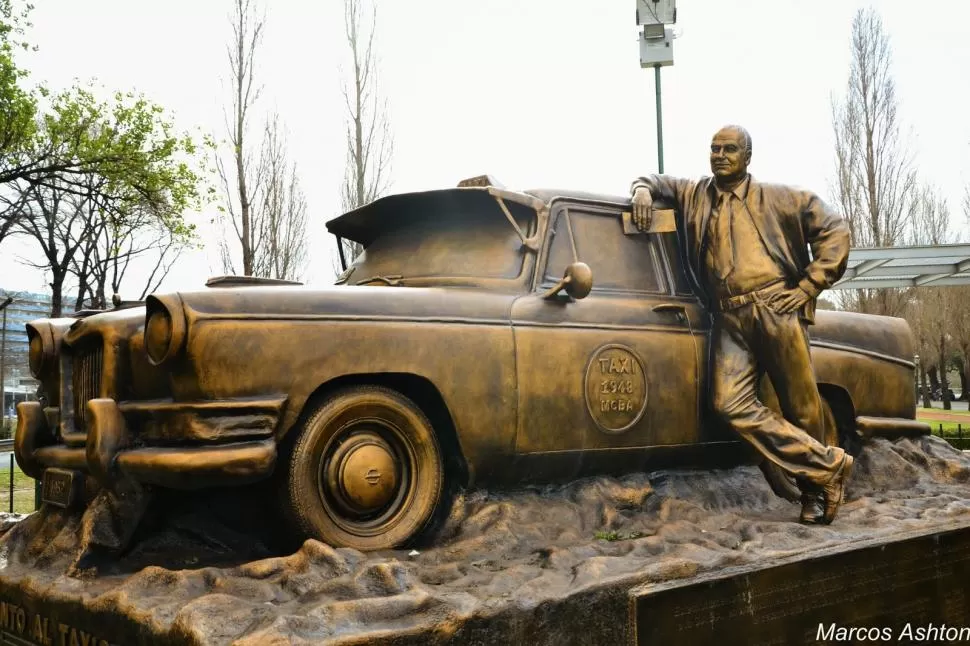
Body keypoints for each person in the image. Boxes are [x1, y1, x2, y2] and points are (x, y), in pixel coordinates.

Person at [630, 125, 854, 524]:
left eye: (729, 149)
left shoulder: (781, 198)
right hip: (728, 317)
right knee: (728, 403)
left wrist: (808, 286)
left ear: (747, 156)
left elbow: (835, 230)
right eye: (714, 148)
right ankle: (827, 466)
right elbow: (653, 178)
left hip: (776, 308)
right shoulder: (695, 194)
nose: (719, 155)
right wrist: (642, 190)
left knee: (801, 409)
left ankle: (814, 496)